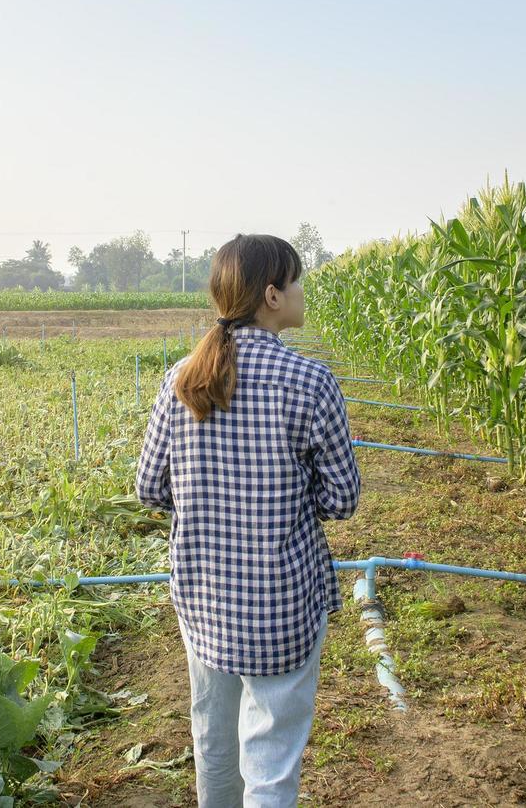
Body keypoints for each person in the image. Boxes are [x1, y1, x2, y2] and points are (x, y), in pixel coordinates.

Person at [135, 233, 362, 807]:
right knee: (271, 754)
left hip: (204, 598)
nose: (302, 289)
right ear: (271, 296)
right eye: (297, 280)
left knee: (214, 738)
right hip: (281, 601)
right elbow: (340, 499)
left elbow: (149, 489)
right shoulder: (310, 382)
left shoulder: (182, 380)